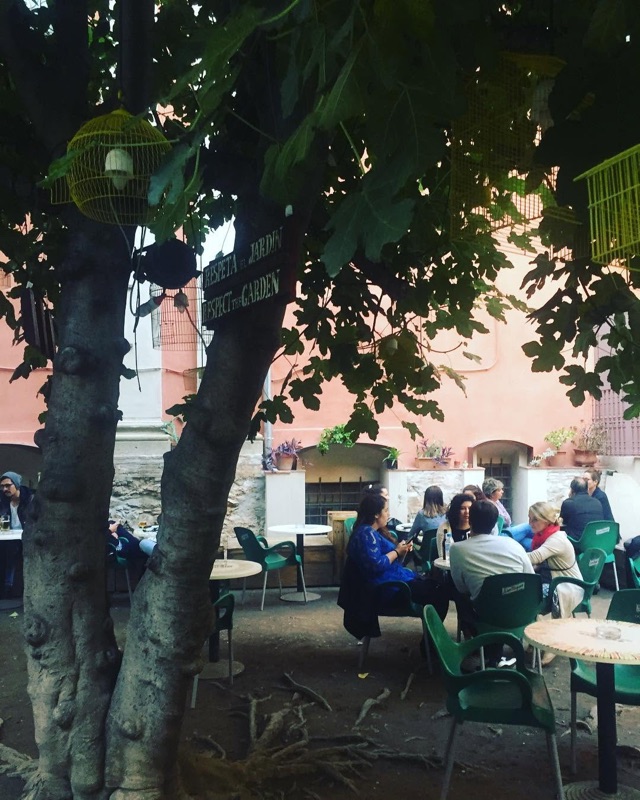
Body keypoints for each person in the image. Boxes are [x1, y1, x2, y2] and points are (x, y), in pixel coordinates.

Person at [338, 493, 449, 638]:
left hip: (393, 582)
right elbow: (376, 564)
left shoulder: (370, 532)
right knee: (440, 593)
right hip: (388, 589)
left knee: (437, 588)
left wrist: (400, 553)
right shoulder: (366, 534)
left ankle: (431, 643)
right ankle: (433, 645)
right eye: (386, 510)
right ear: (376, 514)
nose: (388, 514)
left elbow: (388, 563)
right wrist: (397, 551)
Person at [449, 500, 533, 666]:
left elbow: (461, 588)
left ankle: (480, 647)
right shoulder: (514, 545)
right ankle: (496, 654)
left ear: (470, 521)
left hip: (484, 616)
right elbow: (530, 577)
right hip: (520, 614)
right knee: (500, 597)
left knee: (459, 593)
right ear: (495, 523)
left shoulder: (457, 549)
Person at [526, 501, 584, 665]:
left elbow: (534, 558)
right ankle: (535, 637)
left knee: (527, 597)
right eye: (529, 519)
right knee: (527, 592)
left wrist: (509, 553)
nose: (530, 523)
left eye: (535, 520)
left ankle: (552, 645)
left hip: (567, 584)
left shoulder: (555, 540)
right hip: (552, 580)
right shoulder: (543, 536)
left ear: (546, 520)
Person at [0, 471, 34, 597]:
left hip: (27, 538)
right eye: (2, 486)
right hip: (9, 538)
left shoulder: (30, 499)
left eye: (8, 485)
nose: (5, 489)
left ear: (17, 485)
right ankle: (8, 588)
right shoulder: (2, 501)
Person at [559, 477, 603, 541]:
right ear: (587, 489)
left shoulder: (568, 503)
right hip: (595, 539)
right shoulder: (597, 502)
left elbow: (564, 522)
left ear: (572, 490)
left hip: (577, 541)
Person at [435, 493, 472, 559]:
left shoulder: (476, 527)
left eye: (470, 508)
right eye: (463, 508)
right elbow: (442, 555)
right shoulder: (445, 528)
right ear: (456, 510)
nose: (467, 512)